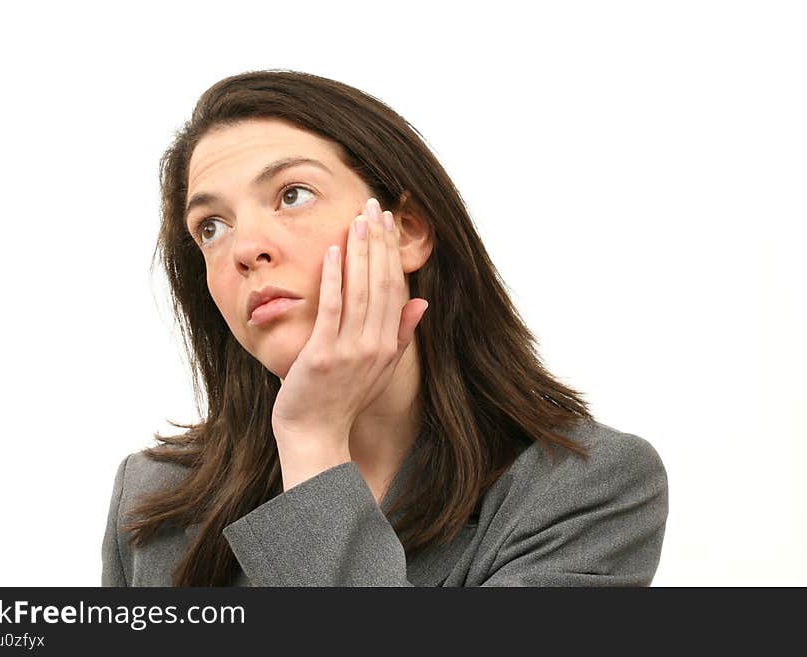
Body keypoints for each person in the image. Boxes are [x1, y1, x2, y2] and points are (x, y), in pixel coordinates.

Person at [101, 69, 668, 587]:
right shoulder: (152, 500)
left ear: (408, 231)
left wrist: (314, 440)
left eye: (291, 195)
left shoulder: (586, 491)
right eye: (212, 227)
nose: (245, 249)